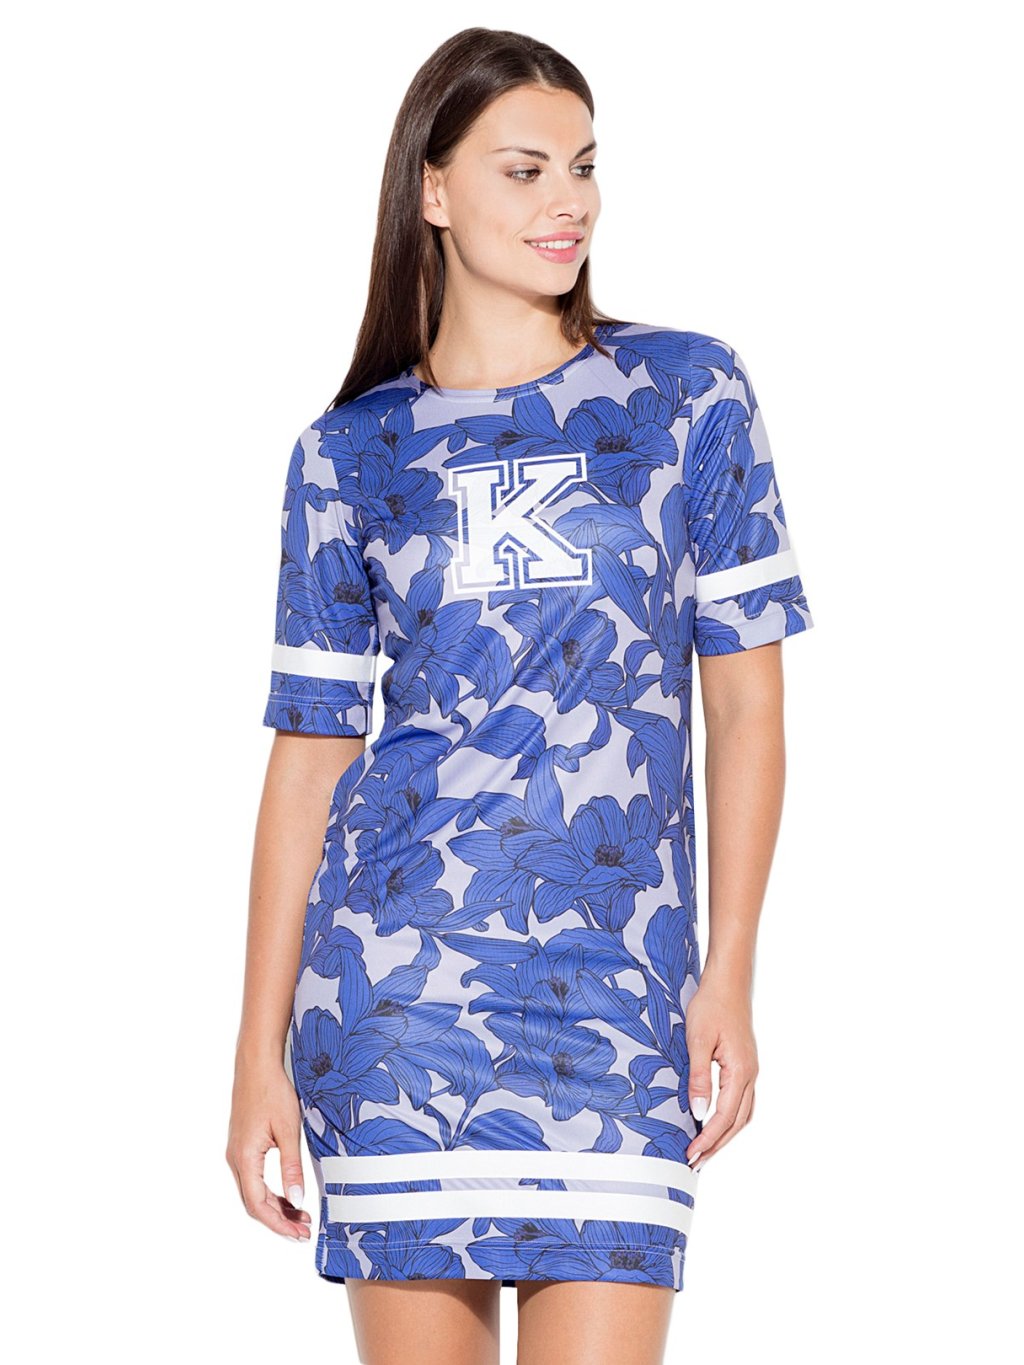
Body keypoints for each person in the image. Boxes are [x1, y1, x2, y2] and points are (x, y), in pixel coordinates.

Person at [226, 25, 815, 1365]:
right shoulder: (347, 454)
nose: (570, 202)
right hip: (393, 1002)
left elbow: (746, 708)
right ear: (433, 189)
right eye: (526, 168)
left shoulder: (687, 394)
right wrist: (257, 1052)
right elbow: (309, 759)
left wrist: (729, 968)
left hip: (619, 998)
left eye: (585, 166)